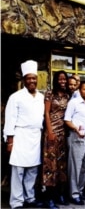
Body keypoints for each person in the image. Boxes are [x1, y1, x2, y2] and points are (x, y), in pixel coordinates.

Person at [3, 60, 44, 209]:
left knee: (32, 170)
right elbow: (10, 120)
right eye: (29, 78)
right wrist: (10, 141)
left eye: (34, 78)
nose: (32, 81)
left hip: (35, 137)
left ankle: (30, 198)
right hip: (20, 136)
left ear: (37, 79)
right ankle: (16, 202)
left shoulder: (41, 97)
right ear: (24, 80)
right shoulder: (16, 97)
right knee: (18, 171)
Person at [42, 70, 70, 208]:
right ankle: (49, 198)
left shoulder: (67, 95)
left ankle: (59, 194)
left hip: (63, 134)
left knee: (61, 166)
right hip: (52, 133)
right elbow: (46, 113)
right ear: (56, 80)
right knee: (50, 165)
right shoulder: (49, 94)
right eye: (60, 79)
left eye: (65, 79)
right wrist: (50, 131)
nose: (63, 81)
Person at [64, 81, 85, 205]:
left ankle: (80, 191)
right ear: (80, 90)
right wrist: (76, 129)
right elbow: (67, 120)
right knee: (75, 166)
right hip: (76, 136)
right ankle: (74, 194)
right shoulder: (74, 102)